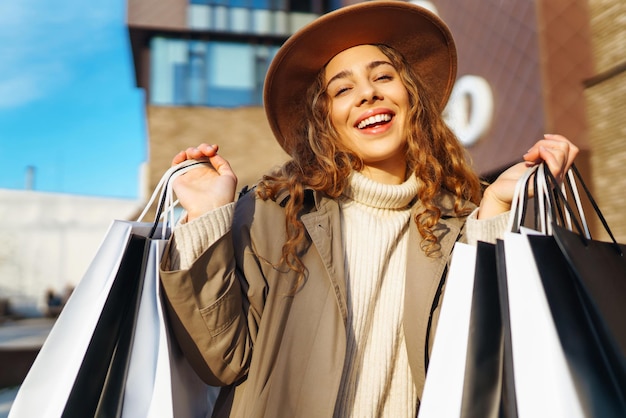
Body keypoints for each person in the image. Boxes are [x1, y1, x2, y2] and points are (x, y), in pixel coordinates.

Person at [159, 2, 578, 417]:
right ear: (324, 121)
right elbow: (221, 358)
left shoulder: (460, 223)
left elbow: (480, 360)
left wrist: (498, 207)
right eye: (342, 89)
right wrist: (206, 215)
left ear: (411, 97)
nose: (368, 93)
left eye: (383, 77)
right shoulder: (274, 214)